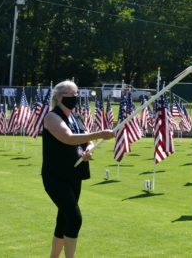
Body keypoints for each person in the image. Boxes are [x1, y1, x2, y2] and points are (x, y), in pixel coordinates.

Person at [42, 80, 114, 258]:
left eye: (77, 94)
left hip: (74, 174)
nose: (75, 98)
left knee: (64, 219)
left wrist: (89, 149)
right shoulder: (52, 117)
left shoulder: (77, 117)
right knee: (74, 218)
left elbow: (85, 140)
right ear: (59, 98)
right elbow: (68, 137)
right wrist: (100, 134)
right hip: (55, 177)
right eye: (70, 95)